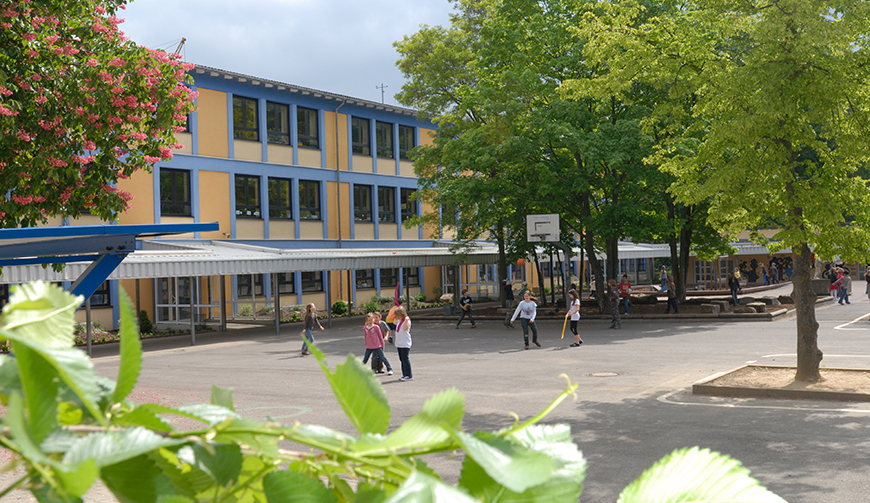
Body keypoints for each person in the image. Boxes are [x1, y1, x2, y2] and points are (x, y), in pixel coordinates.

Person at [393, 306, 413, 381]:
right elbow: (394, 322)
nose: (396, 317)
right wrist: (397, 318)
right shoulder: (399, 321)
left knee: (405, 359)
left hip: (405, 343)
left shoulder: (407, 321)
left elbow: (405, 328)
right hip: (399, 343)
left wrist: (406, 320)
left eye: (398, 315)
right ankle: (404, 374)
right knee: (401, 359)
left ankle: (409, 375)